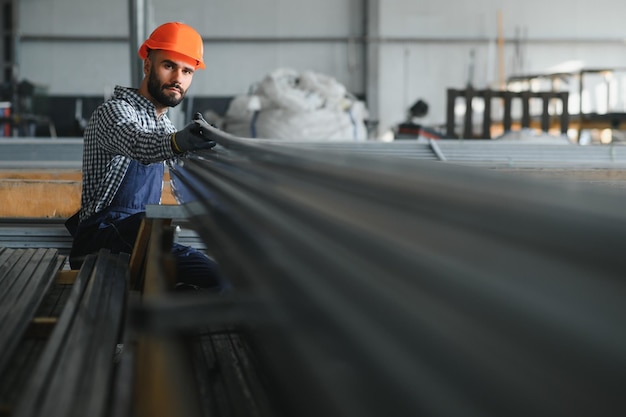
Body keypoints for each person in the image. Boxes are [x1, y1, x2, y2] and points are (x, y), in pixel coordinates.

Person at [67, 21, 226, 292]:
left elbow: (184, 168)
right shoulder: (115, 112)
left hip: (139, 237)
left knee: (218, 278)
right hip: (103, 238)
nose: (178, 77)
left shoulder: (164, 125)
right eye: (169, 66)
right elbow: (140, 143)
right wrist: (178, 142)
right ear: (148, 66)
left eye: (187, 71)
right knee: (217, 278)